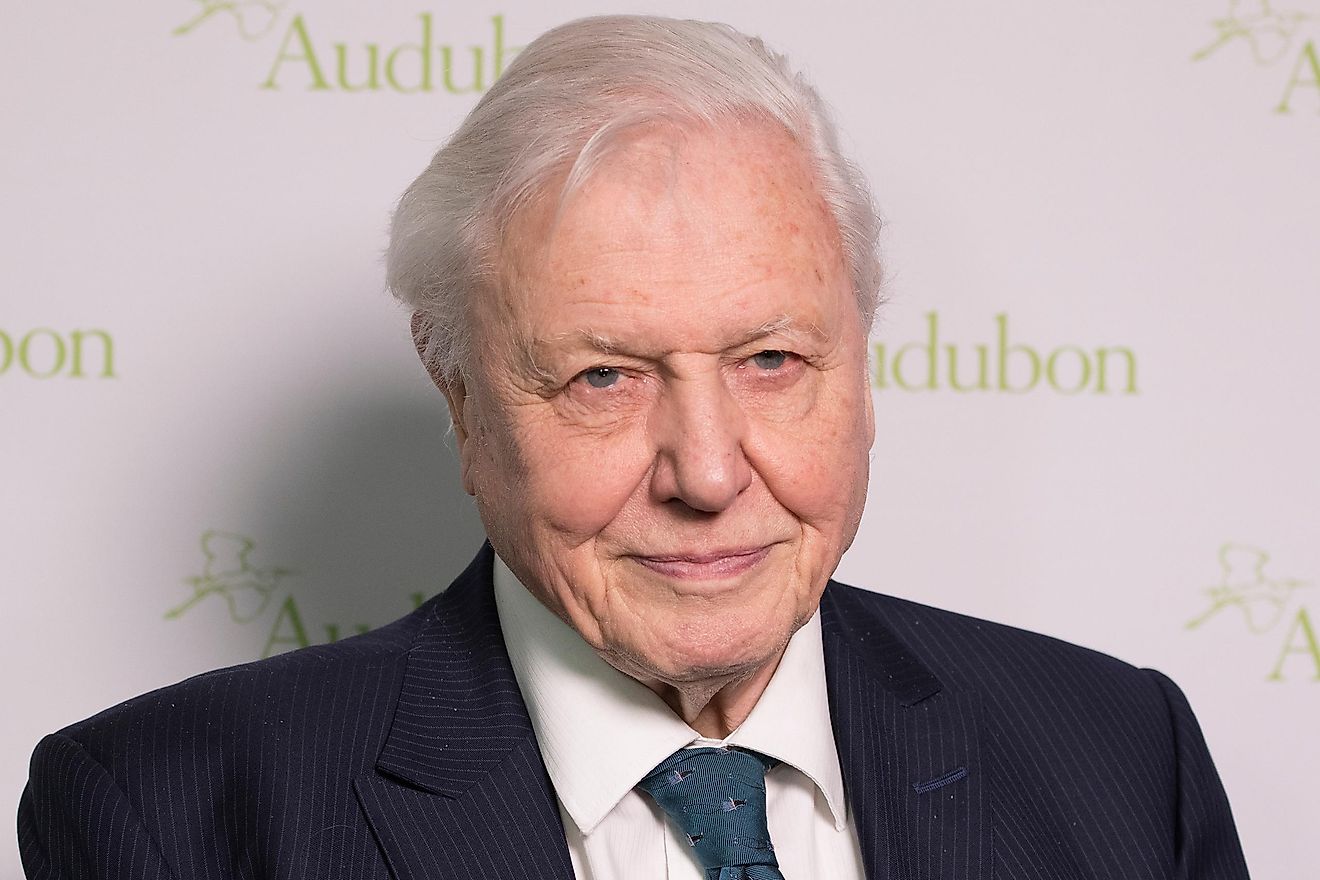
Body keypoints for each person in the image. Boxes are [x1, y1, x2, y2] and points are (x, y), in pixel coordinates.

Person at [18, 14, 1249, 880]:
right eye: (606, 377)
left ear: (863, 370)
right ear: (460, 400)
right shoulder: (172, 811)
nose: (708, 474)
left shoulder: (1122, 755)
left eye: (772, 360)